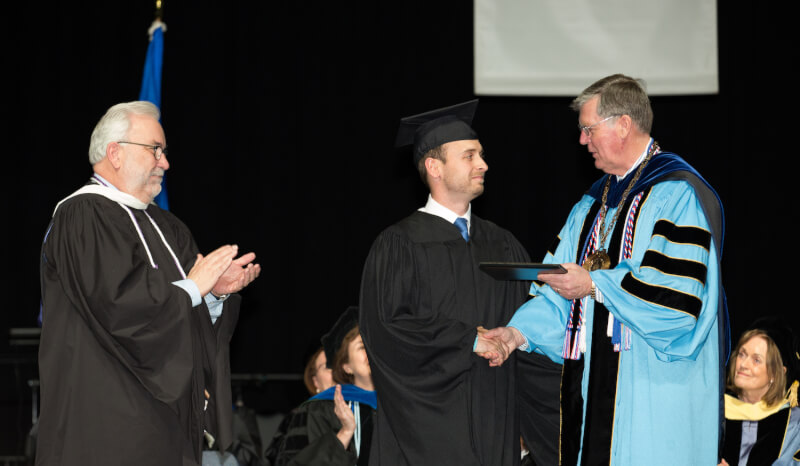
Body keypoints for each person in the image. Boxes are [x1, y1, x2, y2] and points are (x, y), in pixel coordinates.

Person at [480, 74, 728, 465]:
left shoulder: (677, 196)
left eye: (588, 129)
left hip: (655, 395)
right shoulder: (591, 207)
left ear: (623, 124)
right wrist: (515, 334)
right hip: (594, 396)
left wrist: (596, 285)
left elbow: (676, 304)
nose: (582, 140)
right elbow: (558, 289)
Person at [36, 101, 261, 466]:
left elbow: (185, 313)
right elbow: (117, 306)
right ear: (115, 153)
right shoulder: (83, 215)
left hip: (167, 425)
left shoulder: (169, 227)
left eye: (165, 152)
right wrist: (192, 287)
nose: (165, 163)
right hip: (105, 424)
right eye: (155, 149)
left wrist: (215, 292)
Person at [359, 100, 559, 466]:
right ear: (434, 166)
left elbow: (532, 319)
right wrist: (468, 339)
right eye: (469, 156)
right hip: (426, 427)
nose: (483, 165)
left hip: (497, 420)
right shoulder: (399, 245)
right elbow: (387, 329)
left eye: (481, 155)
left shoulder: (504, 245)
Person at [266, 307, 377, 466]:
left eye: (374, 347)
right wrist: (345, 433)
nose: (371, 353)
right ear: (346, 367)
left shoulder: (401, 406)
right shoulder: (319, 410)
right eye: (361, 347)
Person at [719, 316, 800, 466]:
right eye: (742, 354)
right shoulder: (716, 411)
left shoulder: (794, 424)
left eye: (756, 360)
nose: (743, 364)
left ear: (776, 374)